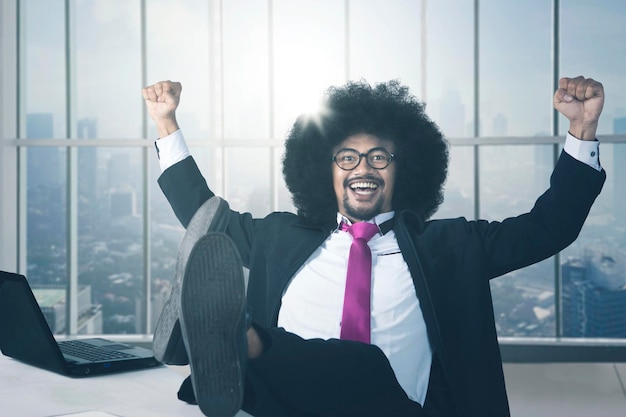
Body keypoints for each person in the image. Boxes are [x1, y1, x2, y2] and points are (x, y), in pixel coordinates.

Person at [142, 76, 606, 417]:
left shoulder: (452, 245)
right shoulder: (279, 237)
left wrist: (581, 130)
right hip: (289, 406)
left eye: (378, 156)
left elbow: (549, 227)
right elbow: (204, 219)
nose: (362, 167)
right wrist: (167, 125)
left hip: (397, 408)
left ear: (404, 170)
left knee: (363, 365)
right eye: (347, 157)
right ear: (324, 170)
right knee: (305, 370)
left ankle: (241, 342)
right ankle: (238, 349)